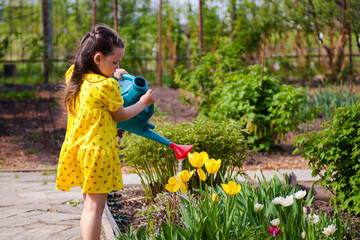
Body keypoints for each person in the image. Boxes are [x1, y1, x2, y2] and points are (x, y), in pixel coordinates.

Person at [56, 25, 156, 240]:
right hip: (98, 154)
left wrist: (115, 71)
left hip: (80, 150)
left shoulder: (75, 77)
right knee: (95, 209)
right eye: (115, 62)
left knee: (88, 206)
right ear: (98, 58)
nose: (117, 66)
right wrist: (143, 102)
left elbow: (82, 65)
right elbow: (121, 115)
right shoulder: (106, 87)